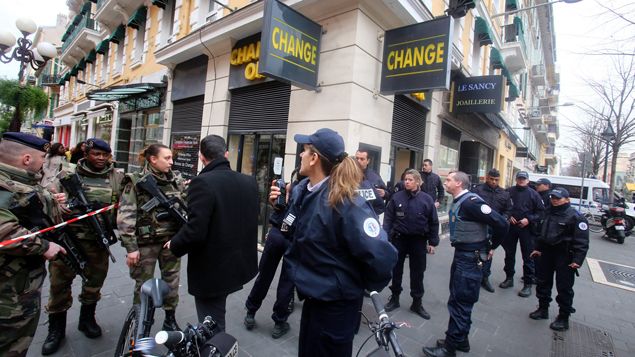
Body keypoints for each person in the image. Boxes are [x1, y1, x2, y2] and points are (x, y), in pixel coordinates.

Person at [271, 128, 397, 357]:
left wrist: (355, 283)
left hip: (336, 306)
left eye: (304, 150)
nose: (300, 155)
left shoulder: (347, 203)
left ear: (314, 157)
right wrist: (279, 211)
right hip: (314, 298)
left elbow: (382, 256)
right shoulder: (308, 191)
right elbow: (297, 236)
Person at [167, 135, 258, 331]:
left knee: (212, 324)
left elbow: (196, 230)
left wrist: (174, 244)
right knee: (217, 312)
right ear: (226, 154)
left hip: (213, 270)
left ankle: (216, 349)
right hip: (238, 264)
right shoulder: (249, 181)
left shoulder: (202, 183)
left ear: (201, 156)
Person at [42, 138, 124, 354]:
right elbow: (44, 197)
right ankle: (56, 330)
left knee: (94, 283)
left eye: (105, 155)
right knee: (59, 286)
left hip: (98, 242)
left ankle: (87, 320)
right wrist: (57, 202)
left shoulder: (116, 177)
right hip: (68, 240)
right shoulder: (66, 175)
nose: (101, 159)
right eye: (96, 154)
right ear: (86, 153)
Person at [422, 171, 508, 357]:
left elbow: (502, 223)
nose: (445, 182)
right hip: (464, 255)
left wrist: (492, 246)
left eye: (449, 180)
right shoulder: (462, 200)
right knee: (460, 299)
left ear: (459, 183)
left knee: (460, 302)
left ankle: (449, 349)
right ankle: (461, 340)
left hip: (469, 258)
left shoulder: (471, 203)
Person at [0, 132, 67, 356]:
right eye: (42, 157)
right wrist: (45, 247)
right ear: (27, 159)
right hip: (7, 292)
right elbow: (5, 231)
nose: (44, 163)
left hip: (19, 284)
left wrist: (51, 200)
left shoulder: (18, 181)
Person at [117, 144, 187, 332]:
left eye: (172, 158)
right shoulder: (136, 181)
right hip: (145, 244)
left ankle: (170, 318)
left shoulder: (176, 180)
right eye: (167, 158)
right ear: (153, 159)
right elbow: (125, 216)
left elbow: (186, 202)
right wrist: (131, 248)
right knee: (144, 284)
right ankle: (141, 321)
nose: (171, 162)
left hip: (170, 242)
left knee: (171, 281)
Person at [243, 169, 303, 339]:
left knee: (265, 276)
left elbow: (280, 206)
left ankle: (251, 312)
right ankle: (279, 322)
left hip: (278, 234)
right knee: (287, 282)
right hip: (292, 239)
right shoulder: (310, 189)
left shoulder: (295, 186)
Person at [529, 187, 589, 331]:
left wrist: (578, 260)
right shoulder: (547, 212)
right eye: (552, 198)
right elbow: (540, 233)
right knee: (543, 282)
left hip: (565, 256)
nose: (554, 200)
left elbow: (582, 241)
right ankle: (543, 309)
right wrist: (537, 248)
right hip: (546, 253)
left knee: (564, 287)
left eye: (558, 198)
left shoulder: (576, 217)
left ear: (567, 199)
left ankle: (563, 317)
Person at [383, 169, 438, 319]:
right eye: (405, 179)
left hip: (418, 240)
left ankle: (417, 302)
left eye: (410, 179)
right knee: (396, 269)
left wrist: (433, 242)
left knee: (418, 272)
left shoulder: (426, 199)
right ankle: (394, 298)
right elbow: (388, 219)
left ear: (418, 182)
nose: (406, 182)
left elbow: (433, 222)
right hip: (399, 239)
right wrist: (385, 237)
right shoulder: (396, 197)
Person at [500, 171, 545, 297]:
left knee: (528, 257)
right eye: (519, 178)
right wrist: (508, 216)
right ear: (516, 179)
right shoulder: (508, 191)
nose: (521, 180)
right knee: (509, 254)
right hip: (511, 228)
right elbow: (502, 207)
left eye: (523, 179)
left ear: (528, 180)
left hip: (527, 229)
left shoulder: (534, 194)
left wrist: (529, 219)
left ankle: (528, 284)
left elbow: (541, 213)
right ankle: (509, 278)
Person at [470, 168, 512, 293]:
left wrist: (503, 219)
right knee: (473, 250)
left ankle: (485, 277)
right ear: (487, 178)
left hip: (494, 227)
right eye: (491, 179)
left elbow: (509, 209)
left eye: (496, 180)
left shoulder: (504, 193)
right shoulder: (477, 190)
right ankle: (472, 277)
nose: (494, 182)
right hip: (477, 226)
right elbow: (470, 204)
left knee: (488, 253)